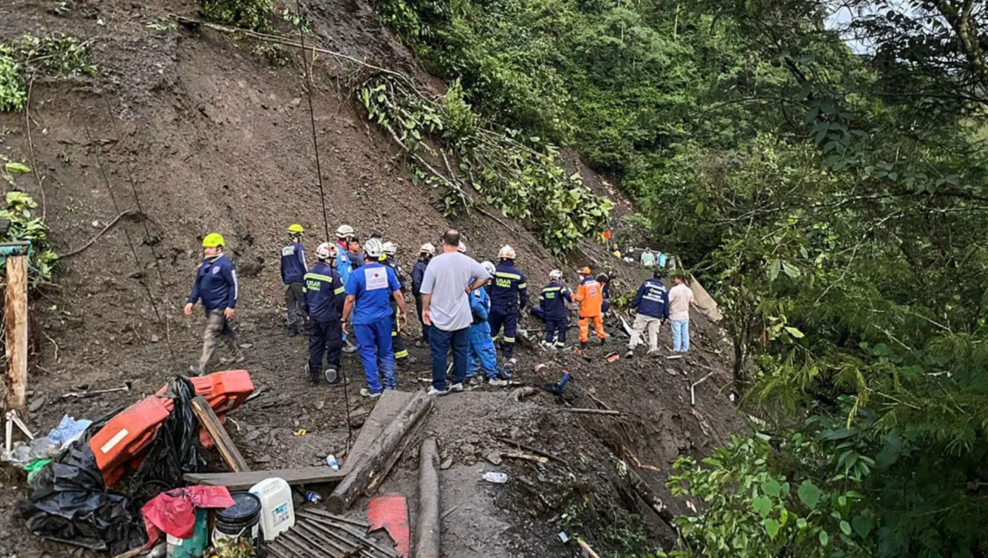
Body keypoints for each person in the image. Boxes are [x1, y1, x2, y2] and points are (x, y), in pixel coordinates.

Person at [420, 230, 491, 396]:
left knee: (439, 352)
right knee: (460, 350)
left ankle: (439, 385)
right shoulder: (467, 261)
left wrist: (425, 309)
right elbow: (485, 276)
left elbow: (426, 290)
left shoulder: (435, 262)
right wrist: (471, 288)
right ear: (459, 243)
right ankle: (458, 382)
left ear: (443, 242)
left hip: (440, 316)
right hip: (462, 316)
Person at [342, 239, 407, 398]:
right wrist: (404, 312)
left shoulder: (357, 274)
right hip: (384, 318)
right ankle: (390, 385)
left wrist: (343, 319)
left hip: (363, 321)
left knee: (368, 352)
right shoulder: (388, 271)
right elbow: (398, 294)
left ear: (365, 254)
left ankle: (375, 388)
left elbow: (349, 299)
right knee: (386, 351)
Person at [185, 233, 243, 375]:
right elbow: (198, 284)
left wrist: (231, 305)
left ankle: (201, 366)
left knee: (210, 334)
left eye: (209, 248)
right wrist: (191, 301)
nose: (206, 251)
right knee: (224, 331)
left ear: (218, 248)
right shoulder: (204, 265)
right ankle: (237, 354)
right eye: (205, 248)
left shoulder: (226, 264)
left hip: (220, 305)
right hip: (208, 306)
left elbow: (233, 285)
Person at [301, 243, 346, 385]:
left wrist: (308, 312)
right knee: (334, 344)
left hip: (314, 316)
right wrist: (341, 315)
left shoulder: (308, 274)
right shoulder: (334, 276)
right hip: (330, 317)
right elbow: (341, 299)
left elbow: (303, 297)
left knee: (315, 343)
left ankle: (314, 374)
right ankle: (332, 371)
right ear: (328, 259)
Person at [467, 261, 509, 386]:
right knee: (486, 349)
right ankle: (493, 376)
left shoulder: (468, 283)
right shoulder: (477, 287)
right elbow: (476, 304)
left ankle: (471, 375)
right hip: (478, 325)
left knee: (470, 351)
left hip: (468, 324)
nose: (488, 281)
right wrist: (484, 316)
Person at [489, 245, 528, 366]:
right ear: (512, 259)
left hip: (494, 306)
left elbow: (488, 289)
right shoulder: (518, 274)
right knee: (509, 333)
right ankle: (507, 355)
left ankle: (491, 352)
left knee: (492, 331)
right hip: (510, 308)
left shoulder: (494, 271)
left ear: (500, 258)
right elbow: (523, 294)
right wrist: (522, 306)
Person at [382, 241, 413, 368]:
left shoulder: (372, 265)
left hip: (379, 303)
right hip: (392, 301)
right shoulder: (391, 266)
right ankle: (401, 359)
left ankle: (388, 358)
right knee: (394, 330)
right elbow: (401, 283)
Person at [626, 270, 669, 358]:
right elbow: (666, 305)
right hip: (656, 315)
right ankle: (653, 349)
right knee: (653, 332)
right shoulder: (664, 289)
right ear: (660, 278)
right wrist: (666, 316)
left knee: (637, 330)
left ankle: (631, 347)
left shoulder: (646, 284)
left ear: (653, 275)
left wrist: (632, 306)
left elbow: (638, 297)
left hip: (643, 312)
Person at [281, 224, 308, 336]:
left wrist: (284, 278)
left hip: (288, 280)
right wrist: (306, 275)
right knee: (303, 302)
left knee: (290, 304)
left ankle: (292, 327)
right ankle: (308, 325)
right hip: (298, 278)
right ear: (298, 235)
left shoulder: (283, 249)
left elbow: (282, 266)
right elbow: (302, 262)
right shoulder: (298, 248)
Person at [335, 225, 357, 353]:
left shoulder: (341, 251)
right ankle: (341, 340)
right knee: (343, 315)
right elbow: (343, 275)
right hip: (344, 291)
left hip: (346, 290)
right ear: (347, 238)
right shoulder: (340, 254)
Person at [573, 266, 606, 353]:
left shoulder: (582, 285)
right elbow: (600, 297)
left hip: (586, 310)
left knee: (583, 327)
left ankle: (584, 343)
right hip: (596, 309)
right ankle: (602, 338)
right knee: (598, 325)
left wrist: (573, 296)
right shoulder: (597, 283)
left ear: (583, 274)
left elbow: (580, 298)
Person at [540, 269, 572, 350]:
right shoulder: (560, 288)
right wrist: (569, 293)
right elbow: (569, 298)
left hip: (549, 315)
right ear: (558, 278)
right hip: (559, 314)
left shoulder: (545, 290)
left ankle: (548, 348)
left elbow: (541, 304)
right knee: (562, 331)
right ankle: (560, 349)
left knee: (550, 331)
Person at [412, 243, 435, 347]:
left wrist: (416, 293)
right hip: (432, 295)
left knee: (424, 317)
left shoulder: (419, 266)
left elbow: (416, 282)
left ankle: (427, 340)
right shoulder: (432, 267)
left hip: (422, 295)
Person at [668, 273, 695, 353]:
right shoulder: (689, 291)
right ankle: (685, 348)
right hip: (685, 315)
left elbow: (668, 301)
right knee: (685, 333)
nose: (674, 280)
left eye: (675, 278)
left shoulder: (674, 290)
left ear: (679, 279)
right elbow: (691, 303)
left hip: (675, 315)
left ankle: (677, 348)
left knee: (677, 333)